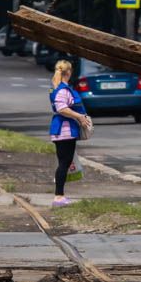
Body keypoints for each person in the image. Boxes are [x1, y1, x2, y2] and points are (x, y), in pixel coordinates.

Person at [49, 59, 90, 208]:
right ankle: (59, 197)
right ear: (69, 72)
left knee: (64, 163)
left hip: (63, 130)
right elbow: (61, 108)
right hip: (64, 131)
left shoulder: (57, 88)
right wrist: (79, 117)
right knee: (63, 164)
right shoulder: (63, 90)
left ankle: (60, 195)